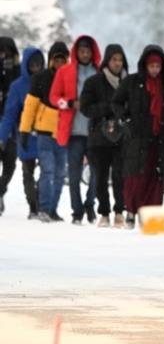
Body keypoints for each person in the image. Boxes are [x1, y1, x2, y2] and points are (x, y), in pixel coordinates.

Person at [112, 45, 164, 229]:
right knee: (134, 178)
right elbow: (117, 102)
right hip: (136, 138)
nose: (154, 70)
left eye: (157, 66)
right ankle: (131, 211)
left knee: (155, 179)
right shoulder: (132, 81)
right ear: (145, 65)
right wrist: (126, 120)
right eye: (151, 66)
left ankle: (150, 214)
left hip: (158, 140)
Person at [50, 35, 100, 225]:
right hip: (73, 132)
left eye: (88, 51)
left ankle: (90, 203)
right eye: (81, 51)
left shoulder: (99, 72)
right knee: (74, 174)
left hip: (95, 131)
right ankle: (77, 211)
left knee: (96, 172)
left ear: (92, 51)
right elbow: (54, 97)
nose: (85, 54)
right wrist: (70, 103)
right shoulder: (65, 71)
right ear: (76, 52)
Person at [80, 44, 129, 228]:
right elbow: (85, 108)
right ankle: (104, 213)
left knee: (119, 175)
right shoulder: (93, 82)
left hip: (122, 136)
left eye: (120, 60)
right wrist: (108, 107)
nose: (117, 63)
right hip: (98, 137)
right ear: (107, 61)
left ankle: (119, 212)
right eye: (114, 59)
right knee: (100, 176)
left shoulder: (129, 82)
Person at [19, 42, 69, 222]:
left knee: (60, 174)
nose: (60, 64)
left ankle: (52, 210)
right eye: (57, 60)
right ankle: (44, 208)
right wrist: (24, 131)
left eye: (63, 60)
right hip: (44, 133)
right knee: (47, 171)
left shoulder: (71, 79)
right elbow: (30, 107)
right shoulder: (41, 78)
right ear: (51, 61)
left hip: (63, 134)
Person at [0, 47, 44, 219]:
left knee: (47, 173)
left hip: (46, 135)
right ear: (26, 64)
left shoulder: (48, 81)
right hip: (24, 135)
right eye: (32, 64)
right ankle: (33, 207)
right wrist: (2, 136)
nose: (36, 67)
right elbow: (10, 114)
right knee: (28, 173)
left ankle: (41, 203)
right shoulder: (17, 86)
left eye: (39, 63)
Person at [0, 37, 21, 215]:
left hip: (13, 126)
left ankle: (0, 191)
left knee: (10, 164)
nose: (4, 55)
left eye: (8, 52)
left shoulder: (19, 71)